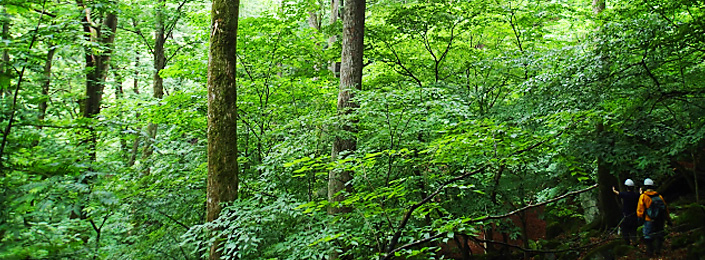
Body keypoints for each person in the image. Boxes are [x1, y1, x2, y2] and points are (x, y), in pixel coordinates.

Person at [636, 178, 673, 256]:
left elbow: (640, 209)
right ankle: (658, 250)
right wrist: (668, 219)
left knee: (648, 235)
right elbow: (665, 208)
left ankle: (650, 252)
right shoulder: (659, 196)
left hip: (649, 219)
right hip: (660, 219)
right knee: (659, 234)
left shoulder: (643, 196)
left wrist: (639, 218)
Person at [612, 179, 639, 245]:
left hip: (626, 216)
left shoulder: (625, 194)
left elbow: (617, 193)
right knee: (633, 230)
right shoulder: (636, 195)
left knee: (625, 230)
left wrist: (613, 189)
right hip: (634, 216)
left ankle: (627, 243)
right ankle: (634, 242)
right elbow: (640, 194)